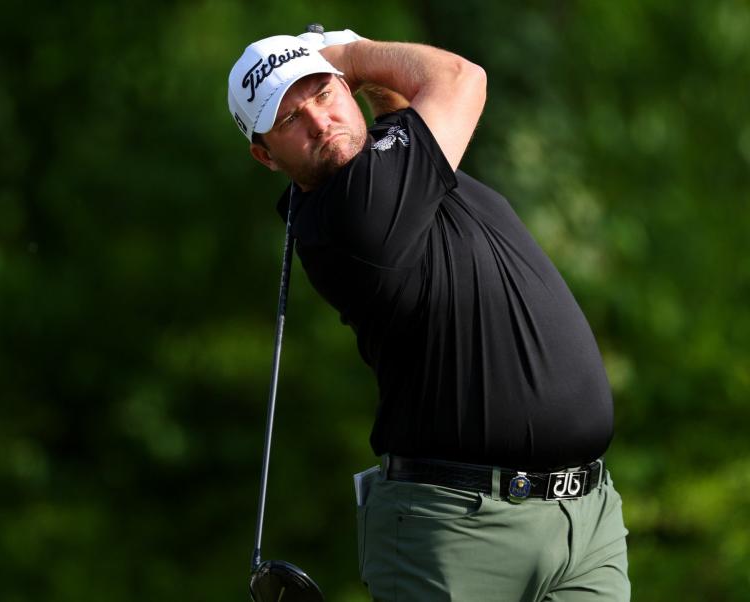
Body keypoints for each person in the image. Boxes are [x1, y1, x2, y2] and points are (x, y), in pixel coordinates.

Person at [228, 29, 631, 601]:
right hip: (456, 532)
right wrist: (350, 52)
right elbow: (461, 79)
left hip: (584, 523)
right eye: (289, 118)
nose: (319, 121)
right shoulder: (349, 215)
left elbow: (399, 124)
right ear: (265, 155)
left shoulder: (389, 178)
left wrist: (363, 85)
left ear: (346, 93)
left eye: (322, 93)